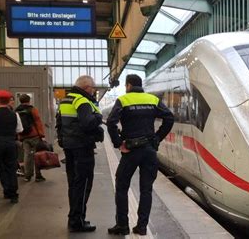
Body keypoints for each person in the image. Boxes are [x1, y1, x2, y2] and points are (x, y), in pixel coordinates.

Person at [107, 74, 174, 236]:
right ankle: (142, 226)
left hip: (131, 151)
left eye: (125, 86)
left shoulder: (123, 100)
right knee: (146, 189)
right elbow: (169, 118)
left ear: (129, 85)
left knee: (122, 187)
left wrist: (118, 143)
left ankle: (122, 225)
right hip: (149, 150)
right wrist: (157, 137)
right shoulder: (152, 99)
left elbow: (110, 122)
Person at [56, 75, 103, 232]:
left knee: (73, 184)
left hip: (69, 148)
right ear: (86, 88)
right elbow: (88, 123)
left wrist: (63, 142)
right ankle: (78, 221)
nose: (94, 90)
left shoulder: (65, 101)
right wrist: (98, 117)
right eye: (93, 87)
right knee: (83, 185)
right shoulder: (82, 101)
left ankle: (73, 218)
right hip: (82, 148)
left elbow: (59, 125)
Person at [0, 90, 23, 205]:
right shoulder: (15, 115)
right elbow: (19, 130)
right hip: (10, 144)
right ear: (9, 100)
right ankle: (12, 195)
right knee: (11, 169)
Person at [15, 94, 46, 182]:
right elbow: (38, 122)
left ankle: (27, 176)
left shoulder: (16, 111)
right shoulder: (32, 109)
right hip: (34, 135)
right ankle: (38, 175)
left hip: (23, 136)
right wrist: (42, 135)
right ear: (29, 100)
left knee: (27, 155)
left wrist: (19, 136)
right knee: (37, 155)